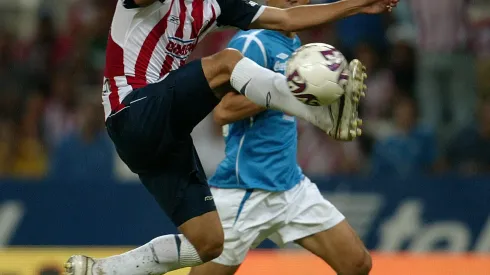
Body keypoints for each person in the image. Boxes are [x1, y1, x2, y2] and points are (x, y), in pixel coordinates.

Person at [64, 0, 397, 274]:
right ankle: (319, 113)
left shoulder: (215, 5)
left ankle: (103, 271)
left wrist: (360, 4)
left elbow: (287, 17)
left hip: (162, 134)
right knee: (226, 64)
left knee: (209, 243)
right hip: (131, 110)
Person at [188, 0, 371, 274]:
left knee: (357, 264)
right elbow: (223, 111)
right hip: (244, 189)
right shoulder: (251, 43)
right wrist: (287, 89)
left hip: (290, 186)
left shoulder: (297, 45)